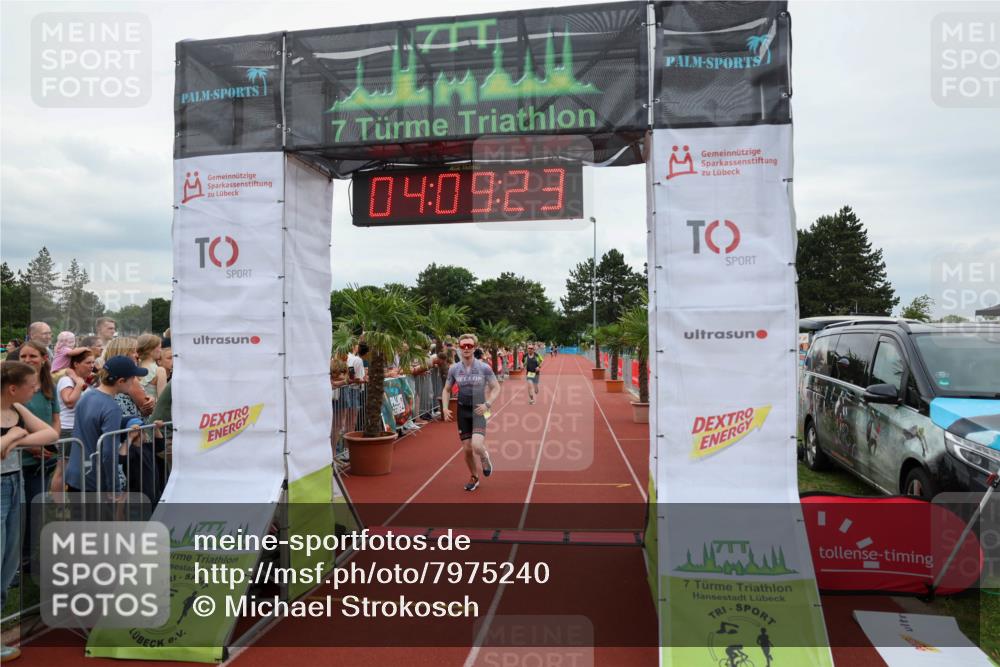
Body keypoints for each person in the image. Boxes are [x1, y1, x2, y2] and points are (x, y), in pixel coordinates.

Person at [1, 361, 59, 663]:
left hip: (14, 484)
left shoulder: (18, 410)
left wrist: (15, 437)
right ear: (13, 388)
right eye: (30, 385)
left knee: (9, 561)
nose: (35, 389)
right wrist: (9, 437)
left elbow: (50, 434)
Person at [64, 355, 148, 494]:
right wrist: (114, 488)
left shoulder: (86, 396)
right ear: (121, 381)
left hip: (75, 475)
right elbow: (109, 454)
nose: (135, 381)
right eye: (133, 378)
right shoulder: (112, 408)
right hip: (94, 481)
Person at [442, 333, 500, 492]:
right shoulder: (454, 369)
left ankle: (484, 456)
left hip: (479, 409)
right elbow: (446, 390)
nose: (466, 348)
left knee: (476, 445)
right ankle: (474, 476)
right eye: (463, 346)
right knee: (467, 449)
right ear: (459, 348)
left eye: (469, 346)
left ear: (475, 347)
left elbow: (496, 387)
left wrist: (488, 404)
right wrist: (445, 408)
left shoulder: (484, 367)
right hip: (462, 410)